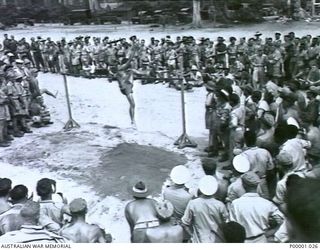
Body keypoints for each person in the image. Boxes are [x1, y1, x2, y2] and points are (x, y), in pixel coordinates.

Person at [230, 171, 284, 243]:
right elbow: (282, 220)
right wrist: (274, 230)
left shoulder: (235, 204)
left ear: (243, 185)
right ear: (258, 185)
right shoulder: (267, 204)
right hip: (262, 240)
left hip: (243, 241)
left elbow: (232, 226)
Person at [181, 176, 228, 243]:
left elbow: (185, 223)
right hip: (218, 240)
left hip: (199, 240)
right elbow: (227, 223)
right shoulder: (220, 205)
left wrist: (192, 236)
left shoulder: (193, 203)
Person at [0, 201, 69, 243]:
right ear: (39, 217)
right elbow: (56, 228)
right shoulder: (57, 240)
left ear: (19, 217)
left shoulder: (5, 239)